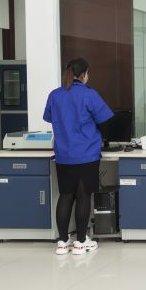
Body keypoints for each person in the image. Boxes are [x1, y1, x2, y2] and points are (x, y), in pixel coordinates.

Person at [43, 58, 114, 256]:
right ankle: (81, 242)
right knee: (83, 196)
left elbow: (49, 118)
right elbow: (106, 121)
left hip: (64, 155)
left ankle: (62, 242)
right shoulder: (89, 94)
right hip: (86, 154)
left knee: (65, 196)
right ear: (83, 74)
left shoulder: (55, 95)